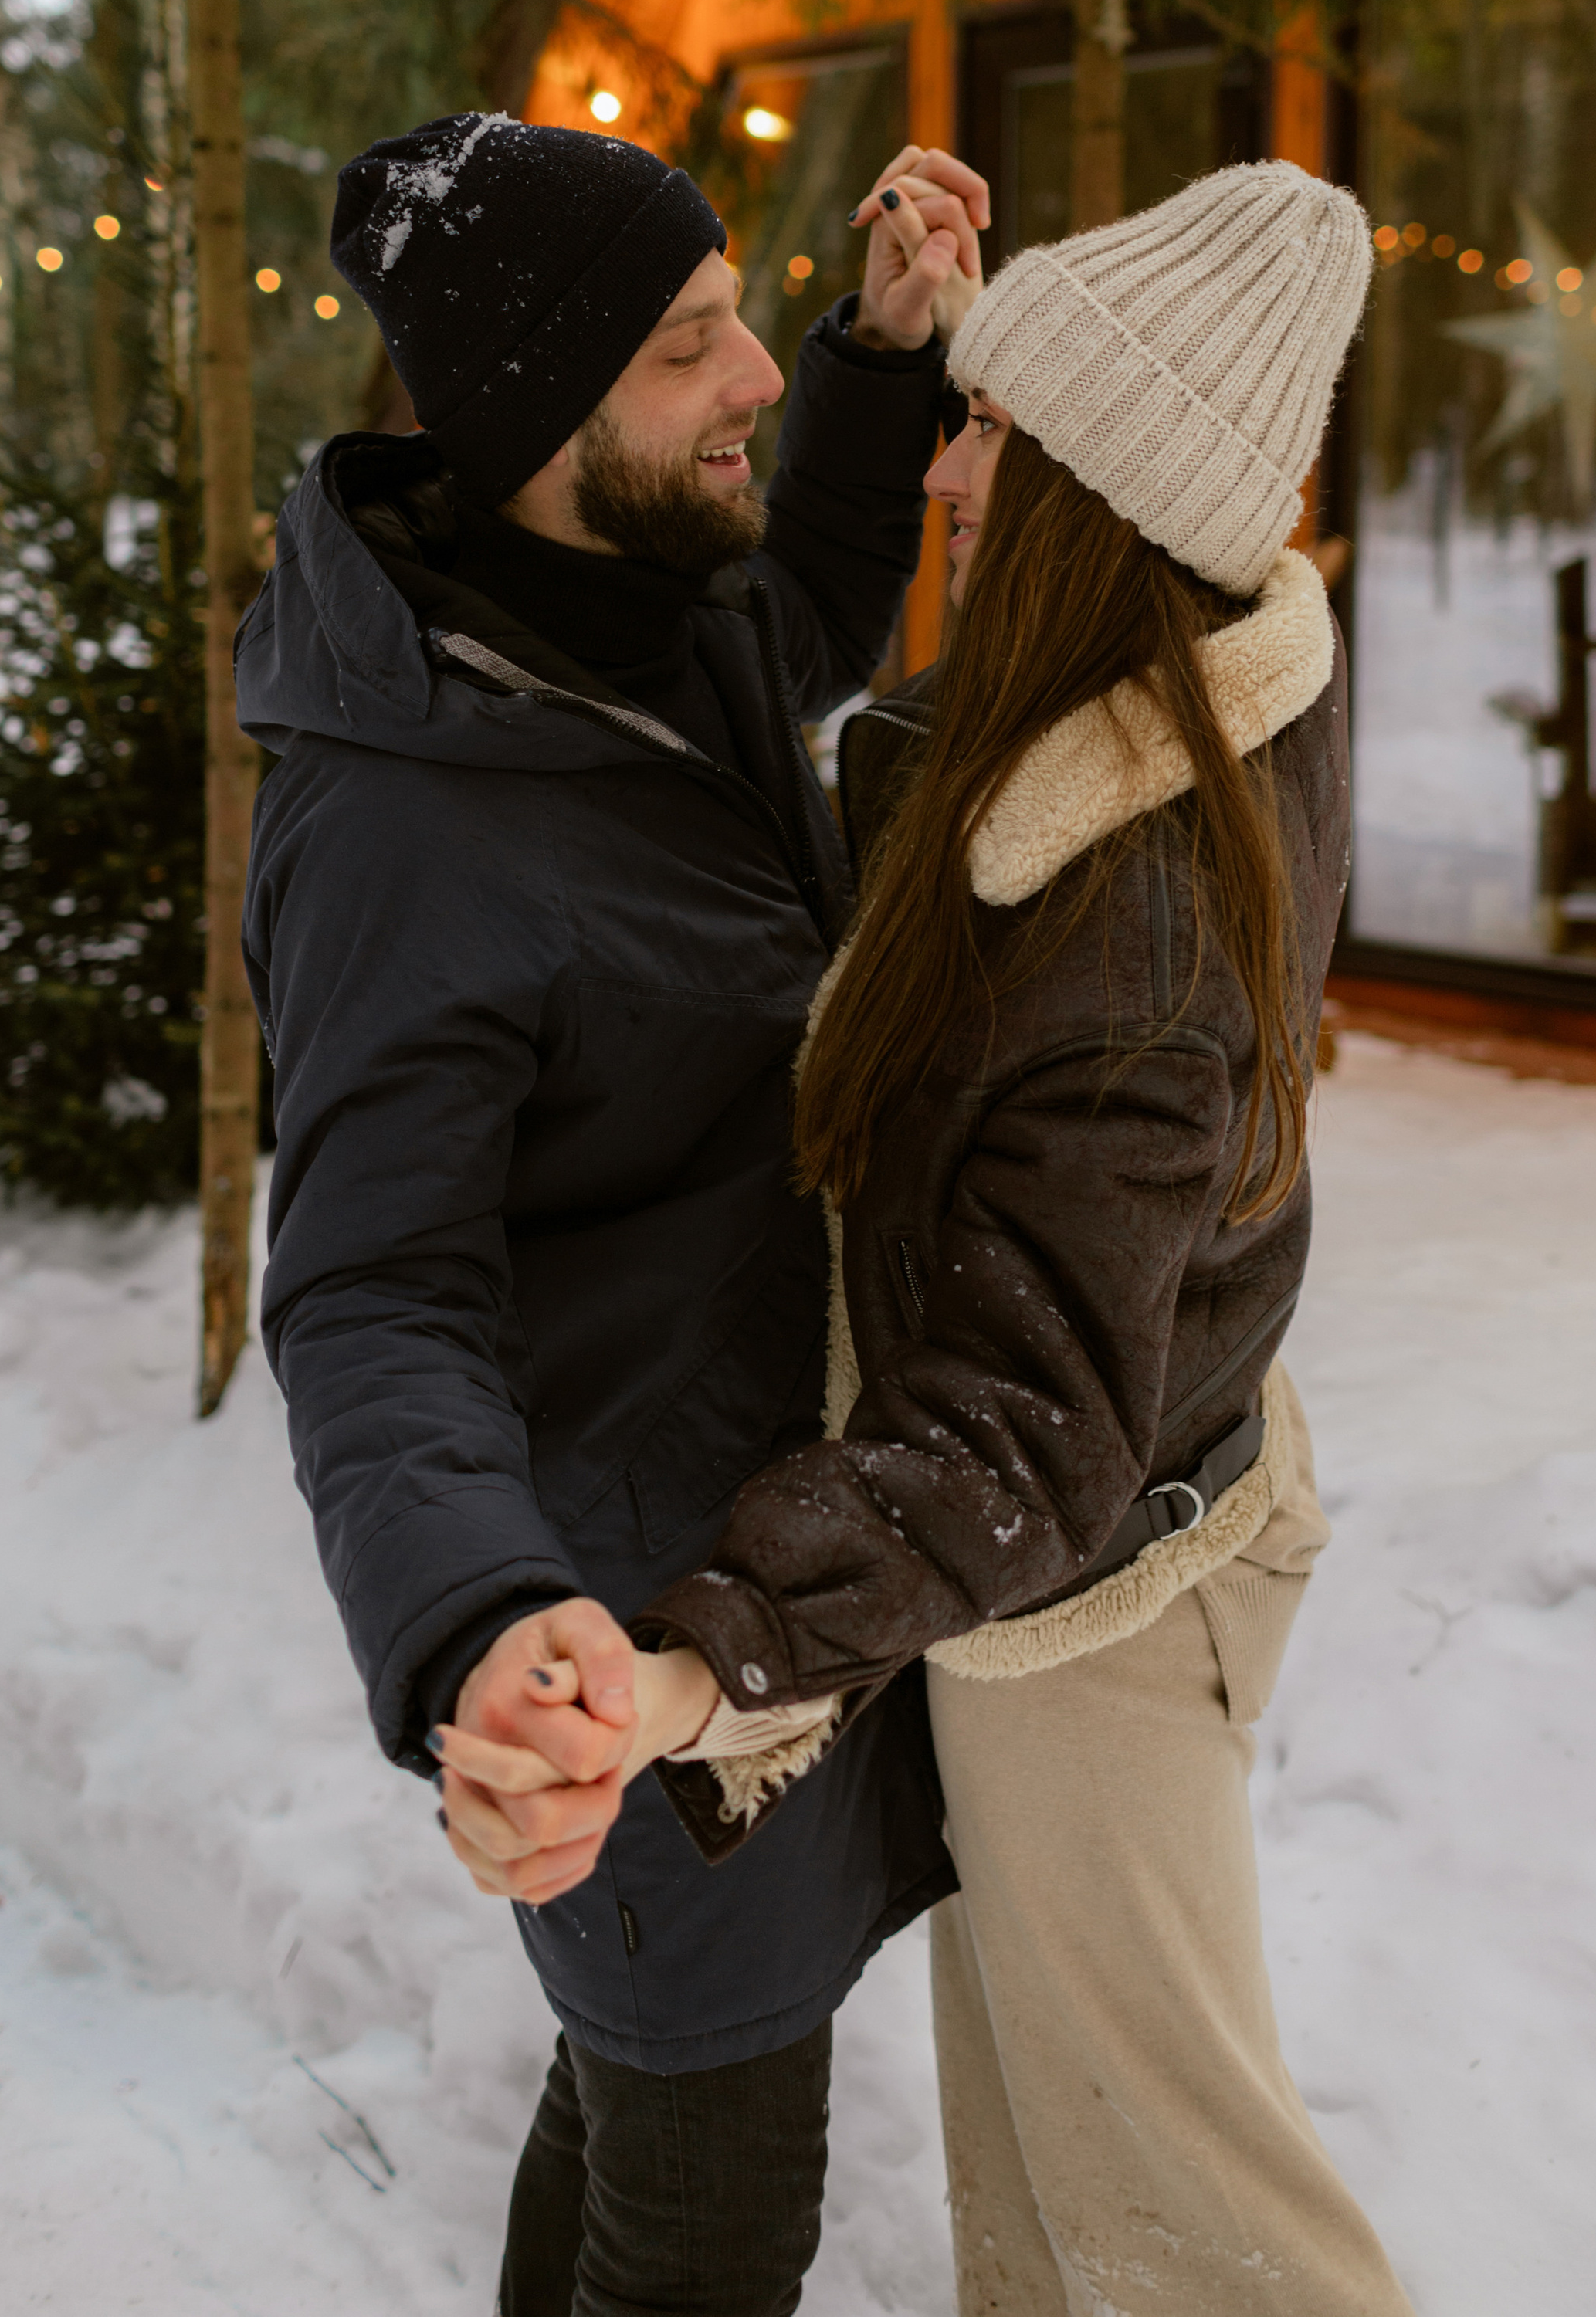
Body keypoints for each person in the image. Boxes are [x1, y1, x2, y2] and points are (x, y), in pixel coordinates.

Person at [438, 160, 1417, 2316]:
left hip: (1102, 1600)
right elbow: (811, 662)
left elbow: (1029, 1420)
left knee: (1192, 2228)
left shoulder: (1132, 912)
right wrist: (901, 362)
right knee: (1055, 2214)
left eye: (989, 434)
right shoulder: (1175, 679)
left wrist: (714, 1659)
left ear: (1090, 494)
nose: (954, 471)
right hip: (1078, 1557)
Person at [237, 110, 992, 2317]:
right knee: (708, 2210)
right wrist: (480, 1614)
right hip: (625, 1650)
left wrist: (880, 356)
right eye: (694, 347)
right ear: (541, 413)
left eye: (743, 316)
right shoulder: (399, 825)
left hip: (761, 1566)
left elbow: (801, 613)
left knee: (641, 2113)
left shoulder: (633, 609)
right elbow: (372, 1291)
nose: (750, 374)